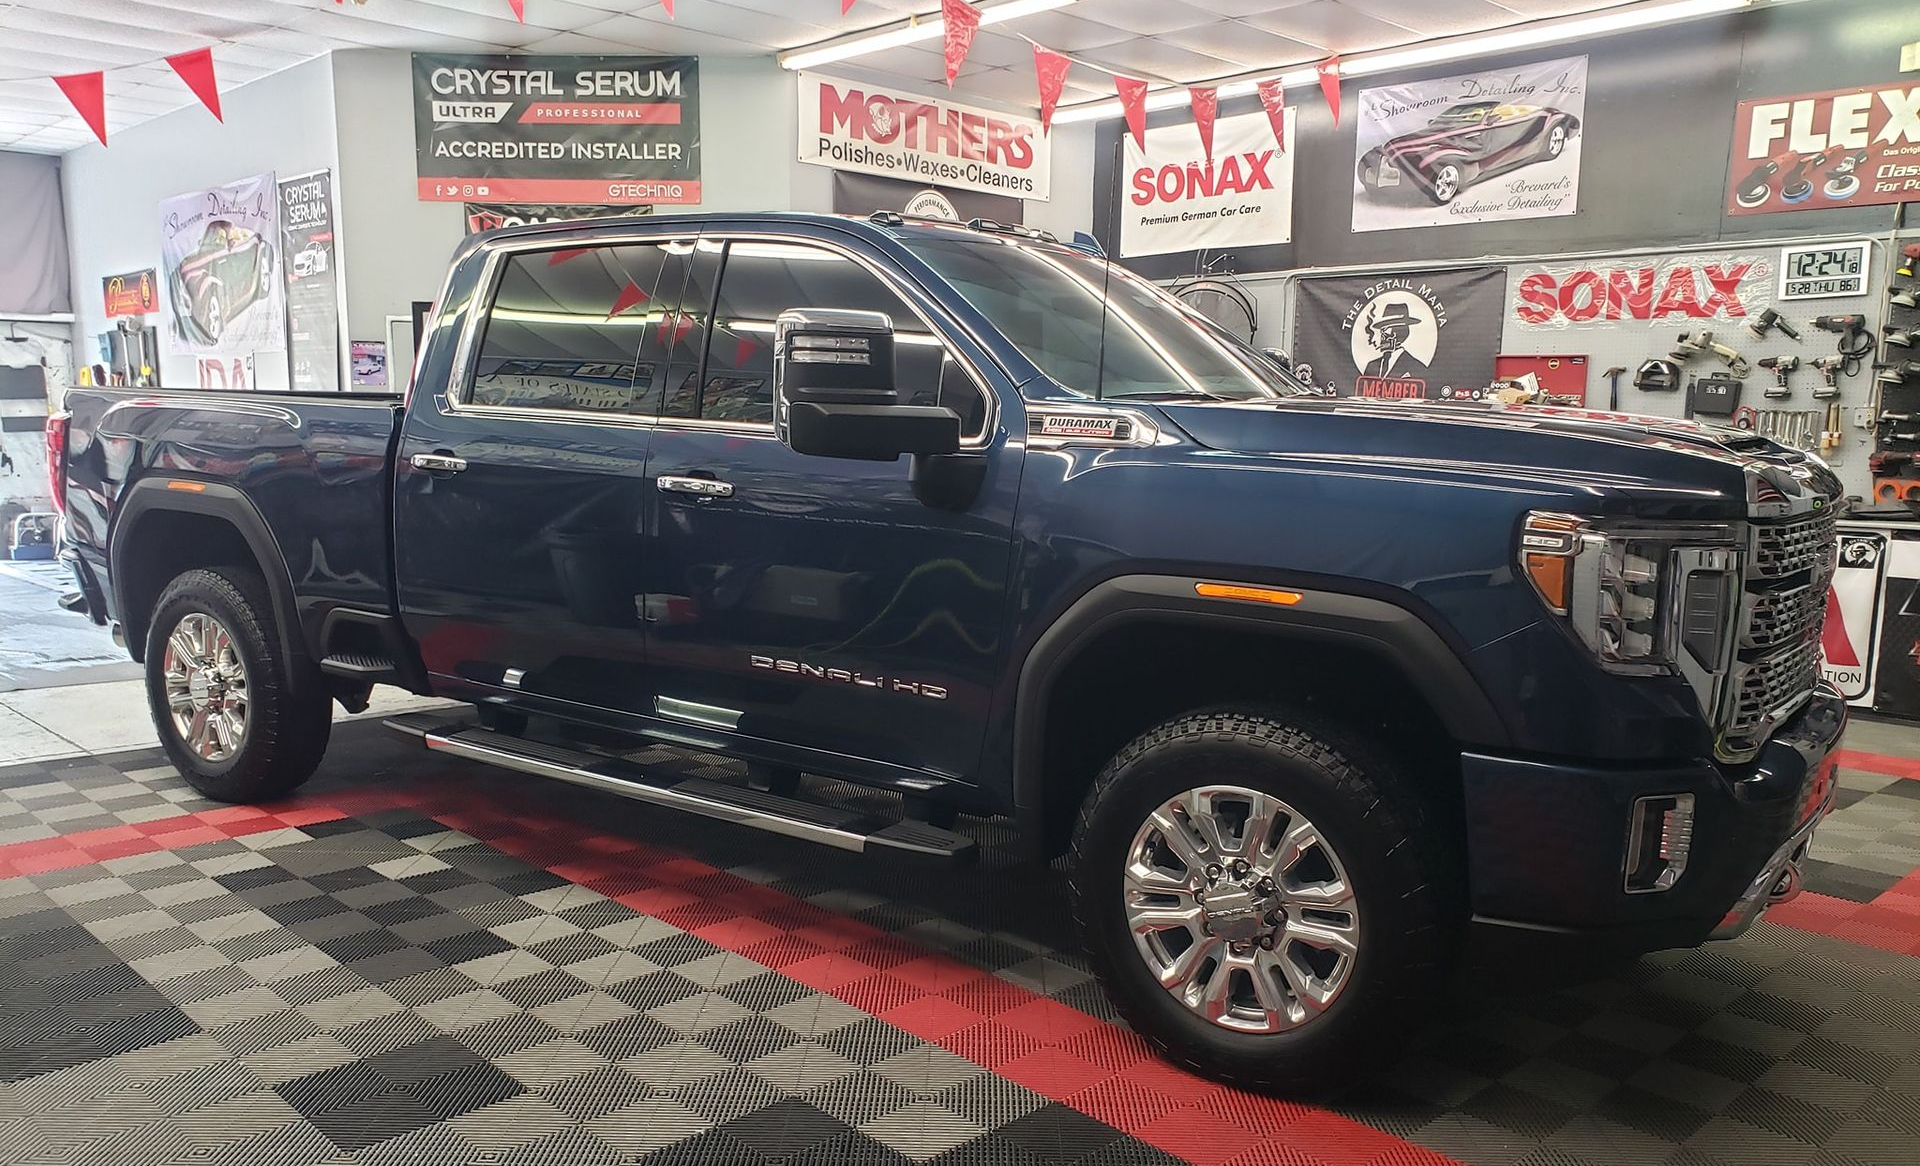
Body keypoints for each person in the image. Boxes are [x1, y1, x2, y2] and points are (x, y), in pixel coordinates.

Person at [1362, 301, 1428, 378]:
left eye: (1386, 329)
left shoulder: (1416, 368)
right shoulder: (1371, 366)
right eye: (1382, 330)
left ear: (1398, 331)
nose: (1382, 336)